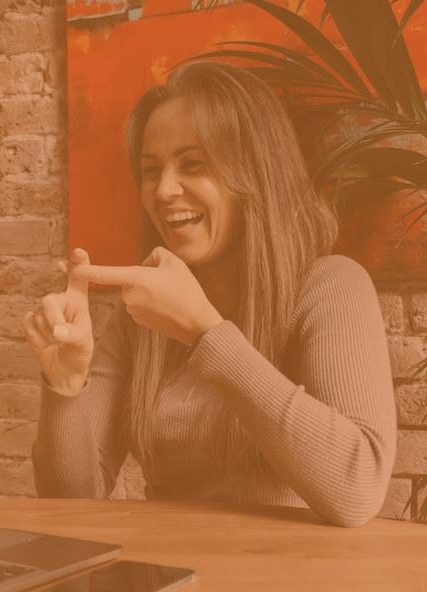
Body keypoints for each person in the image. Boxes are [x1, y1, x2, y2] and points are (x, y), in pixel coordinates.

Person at [23, 61, 396, 527]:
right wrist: (65, 385)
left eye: (192, 164)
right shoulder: (138, 319)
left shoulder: (330, 287)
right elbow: (72, 506)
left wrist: (205, 334)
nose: (164, 190)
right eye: (151, 170)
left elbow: (358, 490)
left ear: (256, 173)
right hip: (168, 584)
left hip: (295, 588)